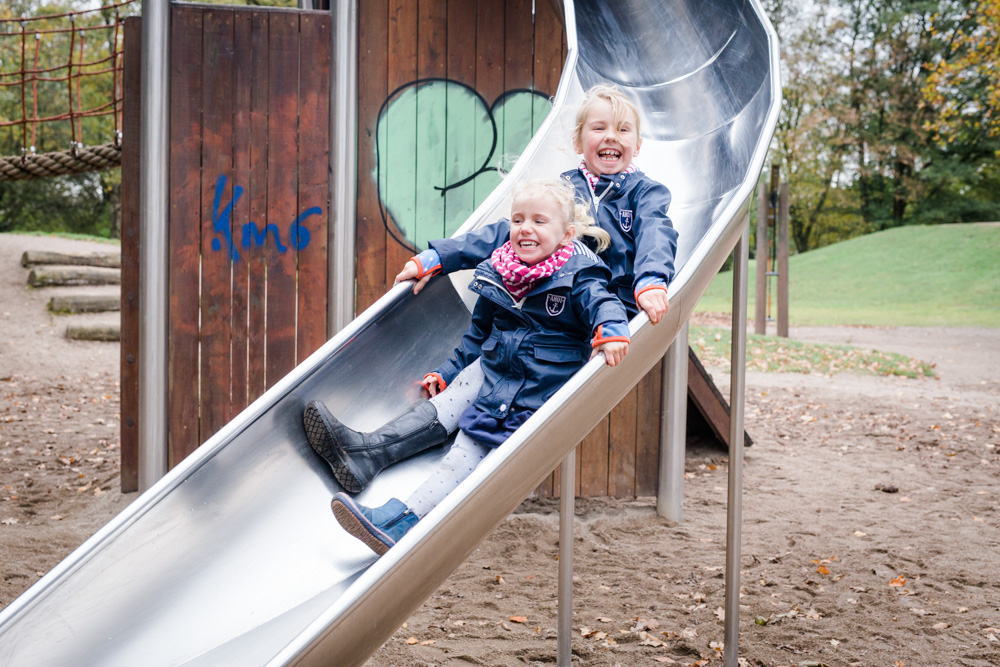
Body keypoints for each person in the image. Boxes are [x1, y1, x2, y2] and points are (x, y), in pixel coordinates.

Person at [303, 83, 677, 494]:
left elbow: (656, 235)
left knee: (486, 388)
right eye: (599, 128)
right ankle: (368, 452)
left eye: (622, 130)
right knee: (472, 379)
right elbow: (504, 234)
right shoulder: (565, 190)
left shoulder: (644, 193)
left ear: (638, 145)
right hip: (540, 315)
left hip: (598, 320)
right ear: (578, 142)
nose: (610, 137)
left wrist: (651, 281)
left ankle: (382, 469)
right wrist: (439, 257)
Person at [325, 179, 630, 555]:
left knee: (463, 454)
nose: (525, 228)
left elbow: (604, 302)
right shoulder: (500, 269)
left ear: (567, 234)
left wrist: (611, 330)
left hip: (534, 389)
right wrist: (447, 372)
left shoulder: (579, 275)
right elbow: (478, 335)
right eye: (518, 220)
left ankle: (402, 520)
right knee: (464, 383)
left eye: (539, 221)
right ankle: (368, 452)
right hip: (497, 370)